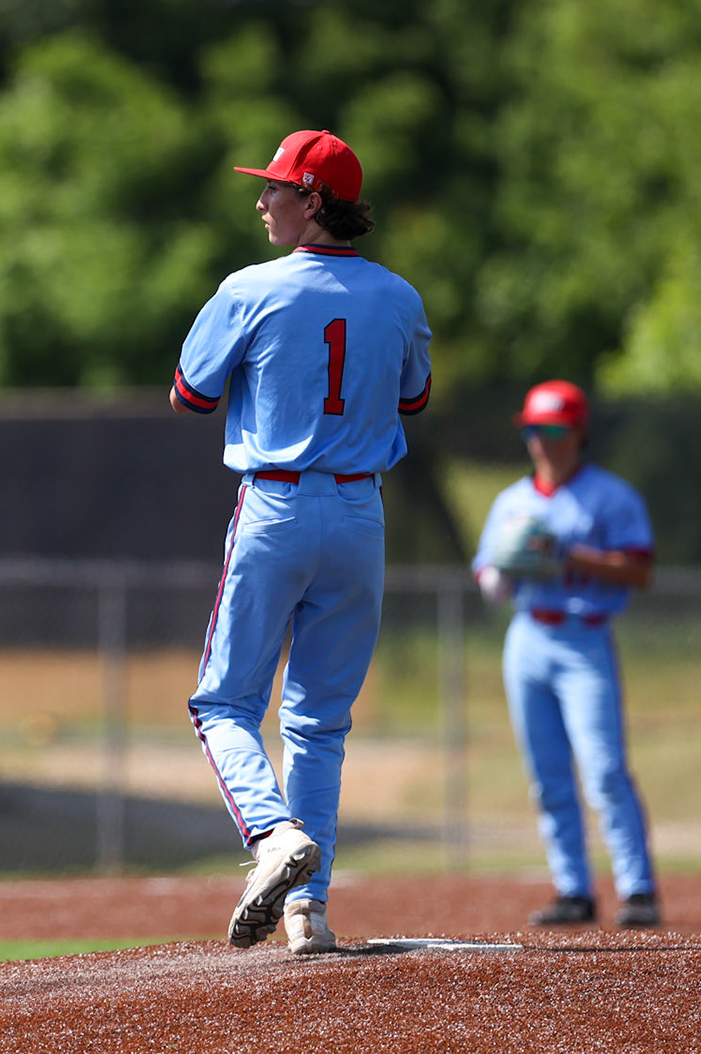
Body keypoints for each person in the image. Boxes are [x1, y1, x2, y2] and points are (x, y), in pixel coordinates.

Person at [171, 129, 432, 954]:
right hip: (360, 514)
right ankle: (307, 913)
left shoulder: (250, 287)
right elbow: (414, 400)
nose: (262, 201)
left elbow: (190, 395)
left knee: (223, 704)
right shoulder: (400, 296)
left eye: (276, 188)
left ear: (313, 200)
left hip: (276, 505)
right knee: (318, 723)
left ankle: (272, 834)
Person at [473, 380, 661, 928]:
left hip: (585, 637)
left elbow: (640, 570)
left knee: (605, 769)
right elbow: (489, 578)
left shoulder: (610, 496)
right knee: (547, 774)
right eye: (533, 429)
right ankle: (573, 888)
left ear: (578, 432)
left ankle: (638, 889)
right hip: (528, 635)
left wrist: (569, 556)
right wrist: (505, 571)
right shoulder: (512, 501)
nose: (542, 440)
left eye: (553, 429)